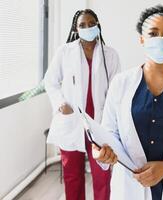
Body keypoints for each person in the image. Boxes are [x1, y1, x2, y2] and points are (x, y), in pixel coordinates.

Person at [91, 5, 163, 200]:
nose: (160, 39)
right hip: (129, 186)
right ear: (141, 39)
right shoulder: (121, 83)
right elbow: (109, 133)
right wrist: (103, 151)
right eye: (153, 33)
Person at [44, 9, 120, 200]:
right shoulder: (64, 52)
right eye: (82, 25)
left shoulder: (110, 55)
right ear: (76, 29)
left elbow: (117, 90)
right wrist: (61, 103)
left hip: (99, 123)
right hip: (72, 122)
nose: (87, 27)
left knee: (103, 175)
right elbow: (50, 81)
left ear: (98, 25)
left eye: (91, 23)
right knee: (72, 175)